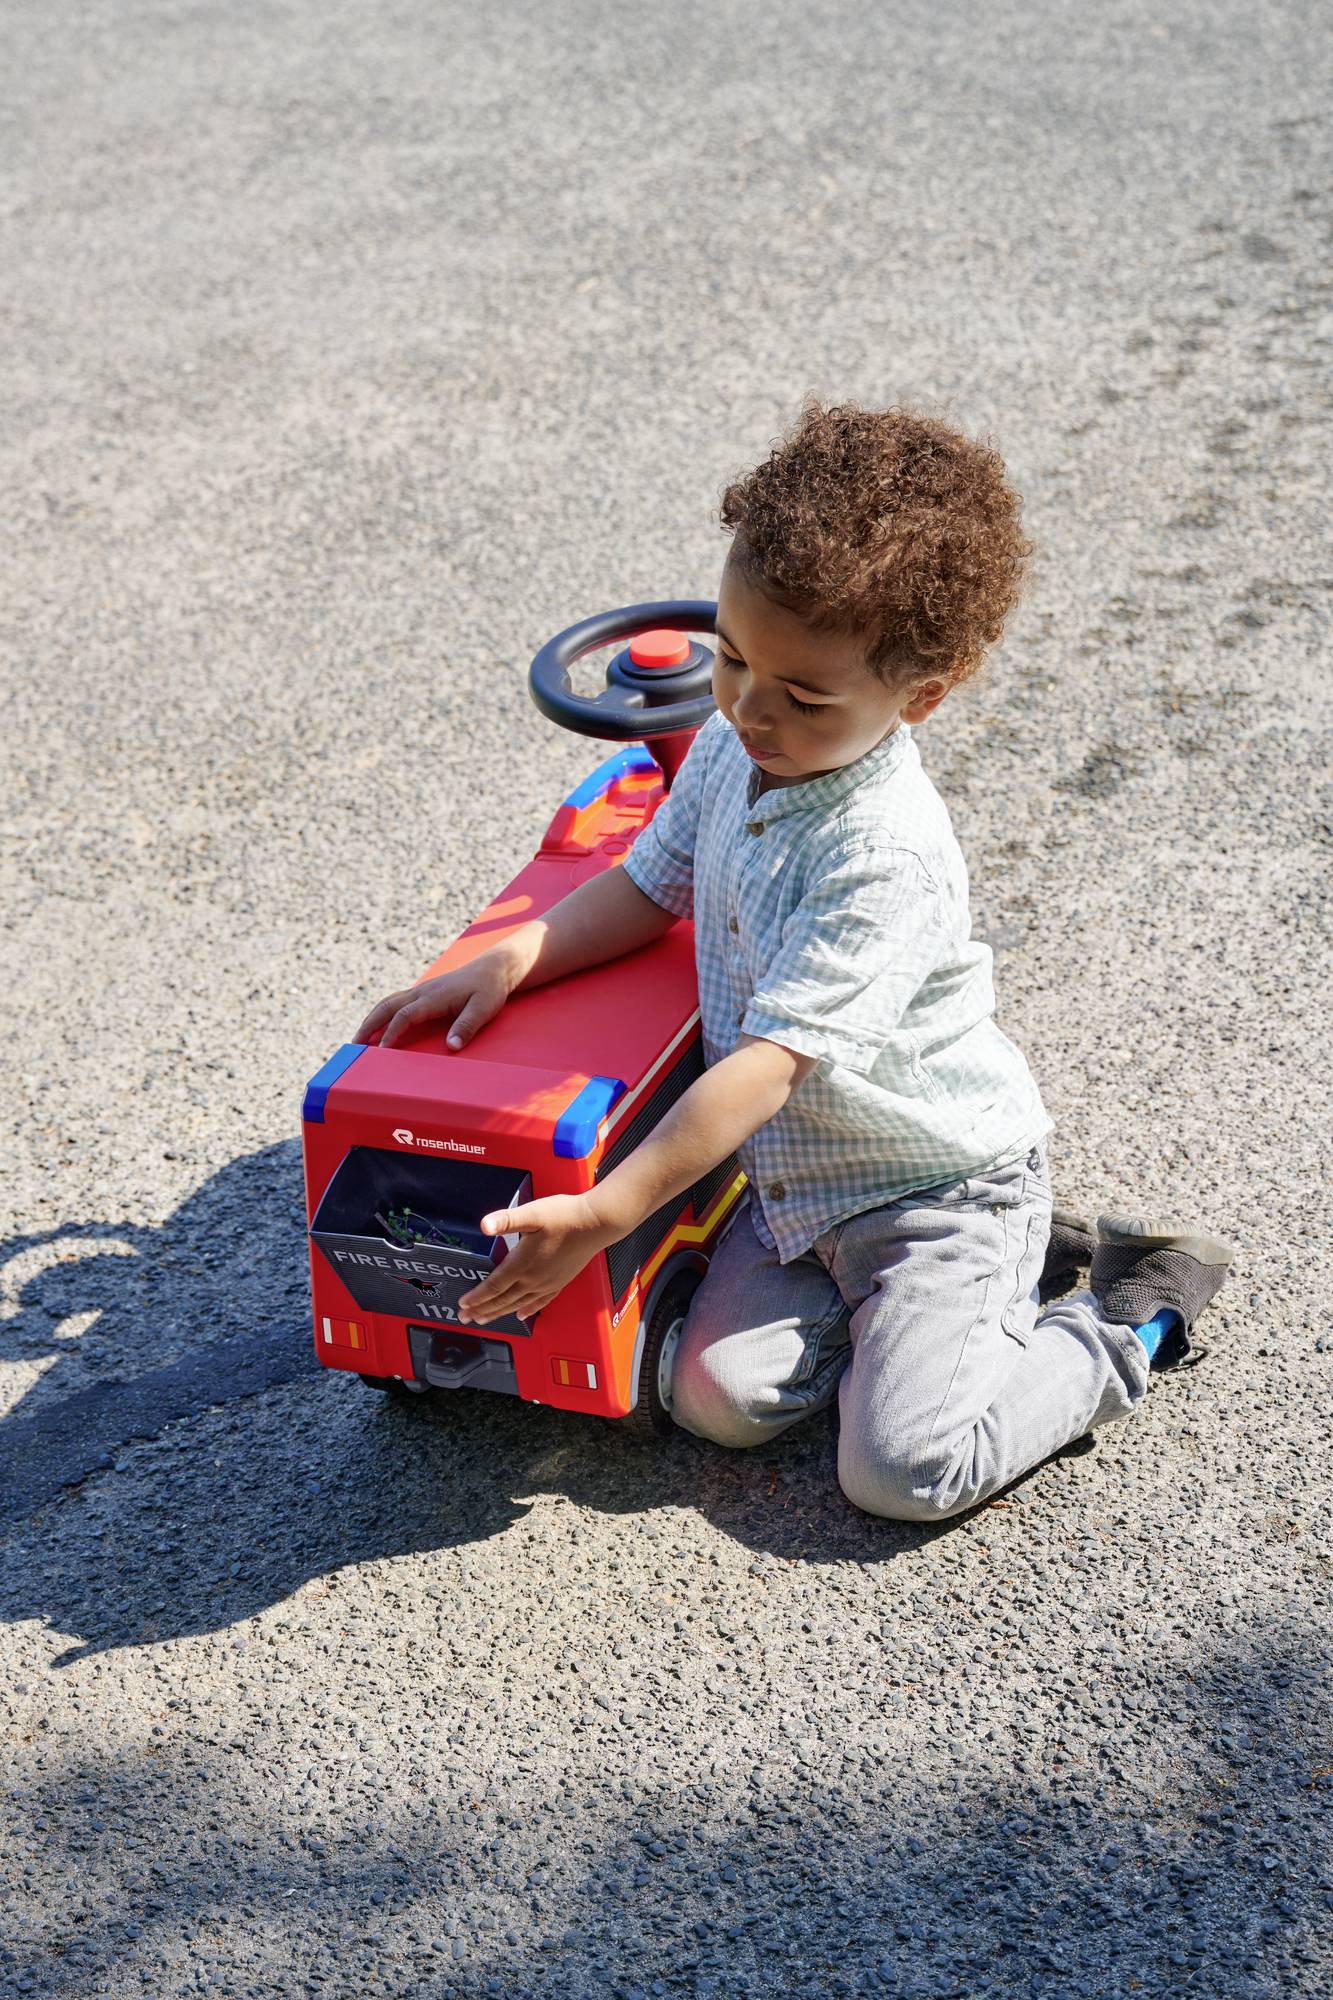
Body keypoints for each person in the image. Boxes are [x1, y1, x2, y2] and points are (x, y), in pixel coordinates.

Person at [353, 399, 1235, 1521]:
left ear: (922, 693)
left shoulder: (884, 856)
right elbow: (642, 885)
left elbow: (765, 1067)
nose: (748, 708)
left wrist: (607, 1209)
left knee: (904, 1470)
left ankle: (1124, 1310)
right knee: (713, 1399)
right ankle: (973, 1299)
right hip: (794, 1186)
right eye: (731, 657)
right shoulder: (732, 745)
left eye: (805, 694)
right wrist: (521, 951)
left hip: (931, 1187)